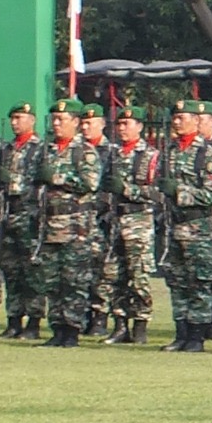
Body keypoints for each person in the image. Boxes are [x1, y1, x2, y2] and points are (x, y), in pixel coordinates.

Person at [157, 100, 212, 353]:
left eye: (183, 117)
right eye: (175, 116)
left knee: (200, 282)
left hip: (200, 227)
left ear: (196, 121)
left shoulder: (208, 154)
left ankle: (197, 336)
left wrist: (180, 193)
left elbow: (211, 194)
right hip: (175, 226)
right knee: (177, 281)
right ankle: (181, 332)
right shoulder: (170, 151)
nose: (176, 121)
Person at [32, 98, 103, 347]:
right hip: (50, 225)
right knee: (51, 280)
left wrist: (58, 177)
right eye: (54, 119)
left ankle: (72, 329)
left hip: (76, 226)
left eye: (62, 119)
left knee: (74, 281)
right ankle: (57, 327)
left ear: (75, 122)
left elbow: (90, 183)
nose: (57, 124)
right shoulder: (46, 150)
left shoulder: (84, 152)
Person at [98, 106, 162, 344]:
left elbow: (157, 193)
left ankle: (141, 323)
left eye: (128, 124)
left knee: (139, 275)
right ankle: (120, 323)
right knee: (113, 274)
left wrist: (127, 190)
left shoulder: (151, 156)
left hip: (138, 221)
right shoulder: (112, 155)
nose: (123, 129)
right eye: (120, 125)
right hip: (114, 220)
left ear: (140, 126)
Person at [0, 101, 44, 339]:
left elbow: (40, 182)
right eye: (12, 118)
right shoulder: (6, 149)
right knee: (11, 271)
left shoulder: (40, 149)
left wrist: (13, 182)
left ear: (31, 120)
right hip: (8, 213)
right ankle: (13, 320)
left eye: (20, 118)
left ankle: (33, 322)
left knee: (32, 272)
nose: (15, 123)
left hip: (30, 213)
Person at [80, 102, 114, 337]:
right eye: (82, 123)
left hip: (101, 218)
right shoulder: (76, 151)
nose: (85, 128)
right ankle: (81, 315)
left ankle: (100, 316)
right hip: (78, 220)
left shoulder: (110, 152)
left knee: (101, 270)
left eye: (90, 123)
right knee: (78, 270)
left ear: (101, 124)